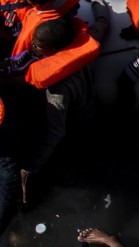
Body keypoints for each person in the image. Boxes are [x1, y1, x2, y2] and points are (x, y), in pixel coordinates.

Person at [16, 1, 108, 204]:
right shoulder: (88, 40)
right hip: (90, 103)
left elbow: (57, 132)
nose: (32, 47)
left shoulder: (57, 89)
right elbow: (103, 21)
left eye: (38, 47)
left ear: (53, 49)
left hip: (77, 121)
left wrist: (29, 169)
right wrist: (99, 5)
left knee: (65, 149)